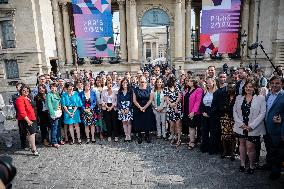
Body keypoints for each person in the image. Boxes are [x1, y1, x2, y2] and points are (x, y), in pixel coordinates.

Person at [233, 79, 266, 174]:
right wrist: (241, 124)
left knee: (250, 147)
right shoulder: (239, 97)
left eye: (251, 86)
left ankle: (252, 165)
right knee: (242, 145)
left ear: (255, 87)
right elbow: (234, 111)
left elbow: (262, 113)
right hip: (241, 127)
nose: (248, 88)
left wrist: (251, 126)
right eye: (246, 86)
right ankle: (242, 164)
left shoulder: (261, 98)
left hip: (253, 128)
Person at [264, 76, 284, 179]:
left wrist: (282, 119)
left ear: (282, 84)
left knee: (277, 151)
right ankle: (269, 164)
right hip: (267, 127)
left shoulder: (283, 95)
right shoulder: (268, 95)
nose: (274, 85)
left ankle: (276, 171)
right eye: (272, 83)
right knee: (269, 148)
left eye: (277, 83)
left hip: (278, 129)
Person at [15, 85, 39, 156]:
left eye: (27, 90)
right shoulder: (19, 99)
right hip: (27, 119)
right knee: (32, 133)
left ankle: (31, 146)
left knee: (32, 133)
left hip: (32, 118)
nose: (26, 92)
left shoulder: (28, 98)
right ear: (21, 91)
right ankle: (34, 149)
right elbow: (21, 111)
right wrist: (28, 120)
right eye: (24, 90)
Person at [133, 76, 155, 144]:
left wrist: (144, 107)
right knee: (139, 122)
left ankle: (147, 135)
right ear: (139, 81)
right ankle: (139, 135)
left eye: (144, 81)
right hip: (138, 108)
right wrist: (140, 107)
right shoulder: (135, 89)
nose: (142, 83)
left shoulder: (149, 89)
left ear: (146, 81)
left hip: (147, 108)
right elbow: (134, 100)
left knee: (147, 122)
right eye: (141, 81)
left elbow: (151, 99)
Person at [184, 78, 203, 149]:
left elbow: (198, 102)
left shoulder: (199, 90)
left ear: (194, 82)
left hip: (195, 112)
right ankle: (192, 139)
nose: (188, 82)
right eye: (188, 81)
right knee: (190, 126)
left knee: (193, 127)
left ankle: (192, 142)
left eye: (190, 81)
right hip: (187, 111)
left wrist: (193, 112)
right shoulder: (188, 90)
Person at [200, 77, 218, 153]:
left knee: (213, 132)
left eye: (210, 83)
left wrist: (209, 113)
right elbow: (201, 103)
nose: (208, 84)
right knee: (205, 132)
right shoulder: (204, 92)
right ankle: (205, 147)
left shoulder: (217, 92)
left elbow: (217, 105)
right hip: (205, 114)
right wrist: (203, 112)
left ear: (213, 83)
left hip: (213, 114)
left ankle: (212, 149)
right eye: (207, 83)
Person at [220, 83, 237, 160]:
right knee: (224, 136)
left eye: (232, 88)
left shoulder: (237, 97)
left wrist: (227, 108)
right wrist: (226, 108)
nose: (230, 89)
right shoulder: (224, 96)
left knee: (233, 136)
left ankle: (232, 152)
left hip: (234, 119)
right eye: (229, 87)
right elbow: (221, 107)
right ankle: (225, 150)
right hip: (224, 118)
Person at [164, 76, 182, 146]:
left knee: (178, 124)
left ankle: (178, 138)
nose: (175, 82)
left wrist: (175, 104)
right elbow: (166, 98)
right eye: (174, 81)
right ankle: (173, 136)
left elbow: (179, 96)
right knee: (171, 125)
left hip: (177, 107)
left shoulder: (177, 87)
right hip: (170, 107)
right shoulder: (166, 88)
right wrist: (171, 104)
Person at [46, 82, 63, 148]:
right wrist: (52, 114)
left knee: (58, 127)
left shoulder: (57, 94)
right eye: (52, 87)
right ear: (50, 88)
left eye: (55, 87)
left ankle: (58, 139)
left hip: (59, 113)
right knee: (54, 128)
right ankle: (54, 142)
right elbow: (49, 105)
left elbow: (59, 102)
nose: (54, 88)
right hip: (53, 113)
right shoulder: (49, 95)